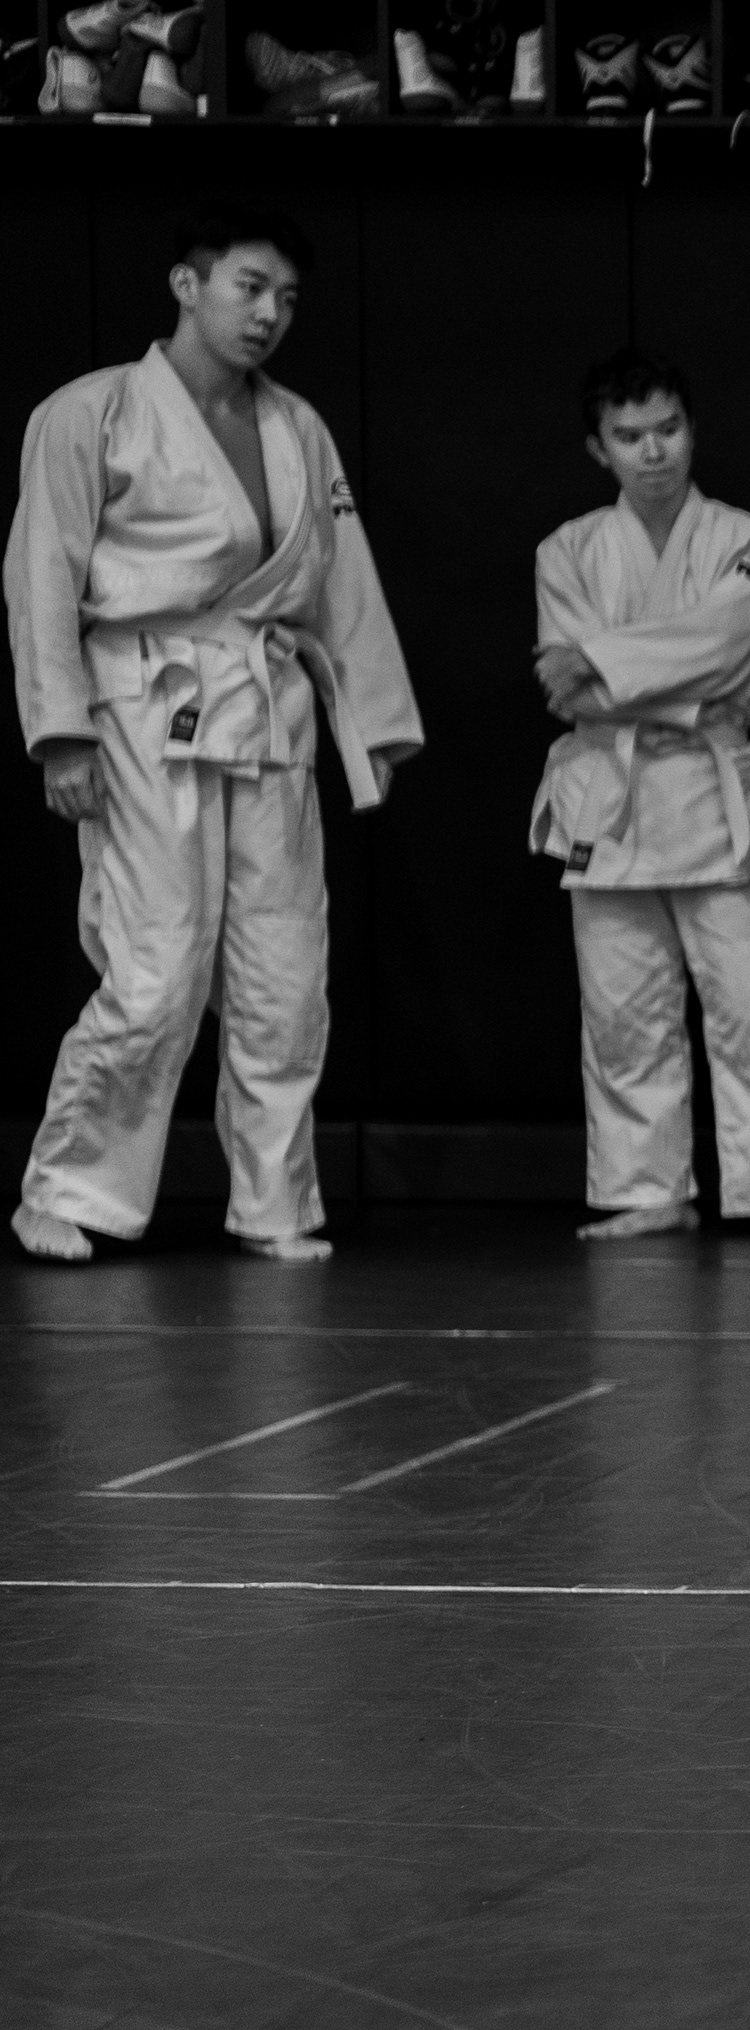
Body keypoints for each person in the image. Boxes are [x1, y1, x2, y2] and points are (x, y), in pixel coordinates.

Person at [9, 202, 422, 1264]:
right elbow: (42, 574)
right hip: (143, 705)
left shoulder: (298, 425)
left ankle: (274, 1202)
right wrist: (59, 730)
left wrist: (371, 719)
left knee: (286, 975)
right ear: (187, 285)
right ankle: (69, 1187)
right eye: (251, 286)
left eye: (288, 298)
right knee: (155, 972)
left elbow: (341, 575)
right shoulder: (90, 412)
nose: (271, 313)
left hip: (268, 709)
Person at [531, 350, 750, 1248]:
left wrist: (606, 662)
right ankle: (645, 1189)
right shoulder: (567, 550)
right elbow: (567, 692)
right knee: (623, 1011)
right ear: (599, 449)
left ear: (692, 429)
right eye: (629, 437)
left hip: (710, 794)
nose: (653, 451)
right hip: (609, 797)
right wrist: (670, 687)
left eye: (668, 429)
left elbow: (727, 641)